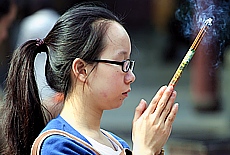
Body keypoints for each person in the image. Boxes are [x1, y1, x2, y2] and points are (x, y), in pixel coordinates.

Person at [2, 2, 179, 155]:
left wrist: (152, 145)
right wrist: (144, 149)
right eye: (121, 63)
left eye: (129, 64)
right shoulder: (57, 146)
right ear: (81, 70)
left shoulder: (116, 144)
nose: (131, 76)